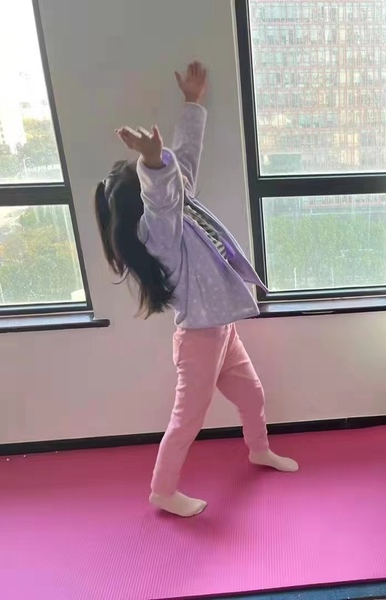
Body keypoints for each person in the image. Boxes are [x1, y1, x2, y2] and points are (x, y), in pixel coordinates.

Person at [94, 62, 298, 518]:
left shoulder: (180, 203)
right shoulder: (159, 233)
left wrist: (192, 102)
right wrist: (150, 162)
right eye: (161, 181)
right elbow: (161, 194)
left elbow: (183, 162)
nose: (174, 182)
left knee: (252, 395)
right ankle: (163, 490)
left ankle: (258, 450)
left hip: (221, 331)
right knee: (187, 420)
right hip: (200, 340)